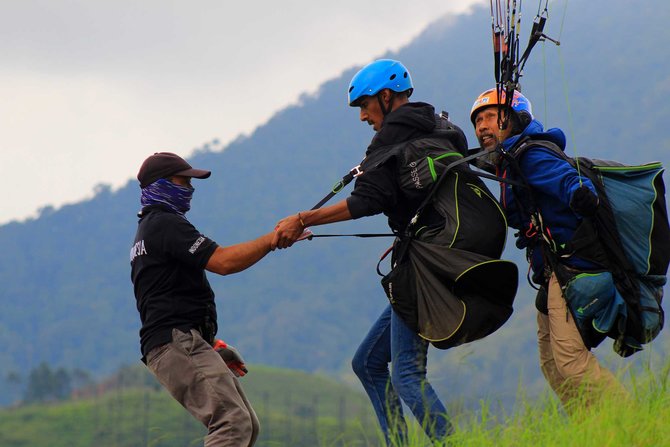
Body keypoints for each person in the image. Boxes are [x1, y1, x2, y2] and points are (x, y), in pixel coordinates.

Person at [273, 59, 470, 445]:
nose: (363, 116)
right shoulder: (443, 128)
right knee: (367, 363)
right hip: (445, 257)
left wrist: (303, 219)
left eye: (365, 105)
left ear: (385, 96)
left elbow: (366, 201)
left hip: (424, 268)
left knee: (407, 376)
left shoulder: (393, 138)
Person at [469, 88, 627, 409]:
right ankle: (591, 432)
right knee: (552, 365)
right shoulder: (508, 163)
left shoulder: (530, 154)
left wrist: (579, 193)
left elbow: (566, 178)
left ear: (513, 119)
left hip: (575, 263)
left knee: (569, 362)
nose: (482, 126)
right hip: (551, 271)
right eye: (477, 120)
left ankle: (631, 424)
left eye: (489, 117)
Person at [130, 152, 276, 447]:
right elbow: (224, 262)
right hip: (176, 341)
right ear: (161, 185)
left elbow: (166, 297)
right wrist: (273, 239)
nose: (190, 190)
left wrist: (208, 346)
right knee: (232, 423)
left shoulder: (149, 230)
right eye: (183, 181)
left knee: (246, 424)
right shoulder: (165, 224)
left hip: (177, 341)